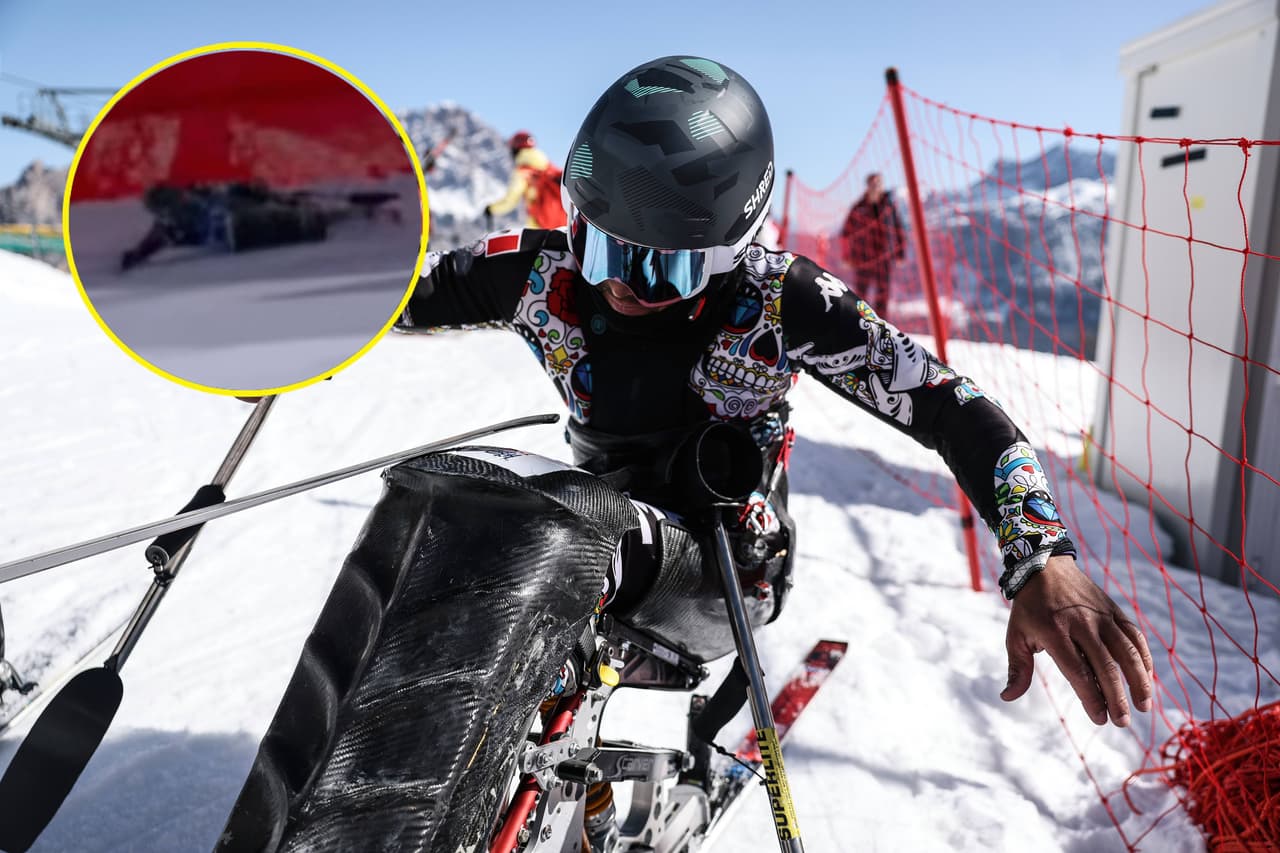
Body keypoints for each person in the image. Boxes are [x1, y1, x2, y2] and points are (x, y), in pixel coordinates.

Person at [397, 56, 1153, 741]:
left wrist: (1040, 553)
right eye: (597, 243)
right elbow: (391, 294)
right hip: (594, 534)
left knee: (555, 533)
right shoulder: (541, 272)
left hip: (727, 565)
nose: (617, 282)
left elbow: (948, 406)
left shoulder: (778, 300)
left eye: (662, 270)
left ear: (732, 253)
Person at [841, 172, 905, 320]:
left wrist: (900, 253)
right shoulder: (858, 207)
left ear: (882, 186)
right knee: (860, 294)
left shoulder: (889, 207)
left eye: (879, 184)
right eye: (873, 184)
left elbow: (899, 229)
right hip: (862, 258)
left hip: (884, 258)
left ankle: (881, 328)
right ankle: (857, 323)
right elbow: (846, 232)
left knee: (883, 295)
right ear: (868, 186)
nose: (876, 187)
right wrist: (846, 256)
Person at [483, 130, 567, 229]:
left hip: (544, 226)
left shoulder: (523, 172)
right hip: (564, 223)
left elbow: (510, 201)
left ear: (515, 150)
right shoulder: (548, 166)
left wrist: (491, 209)